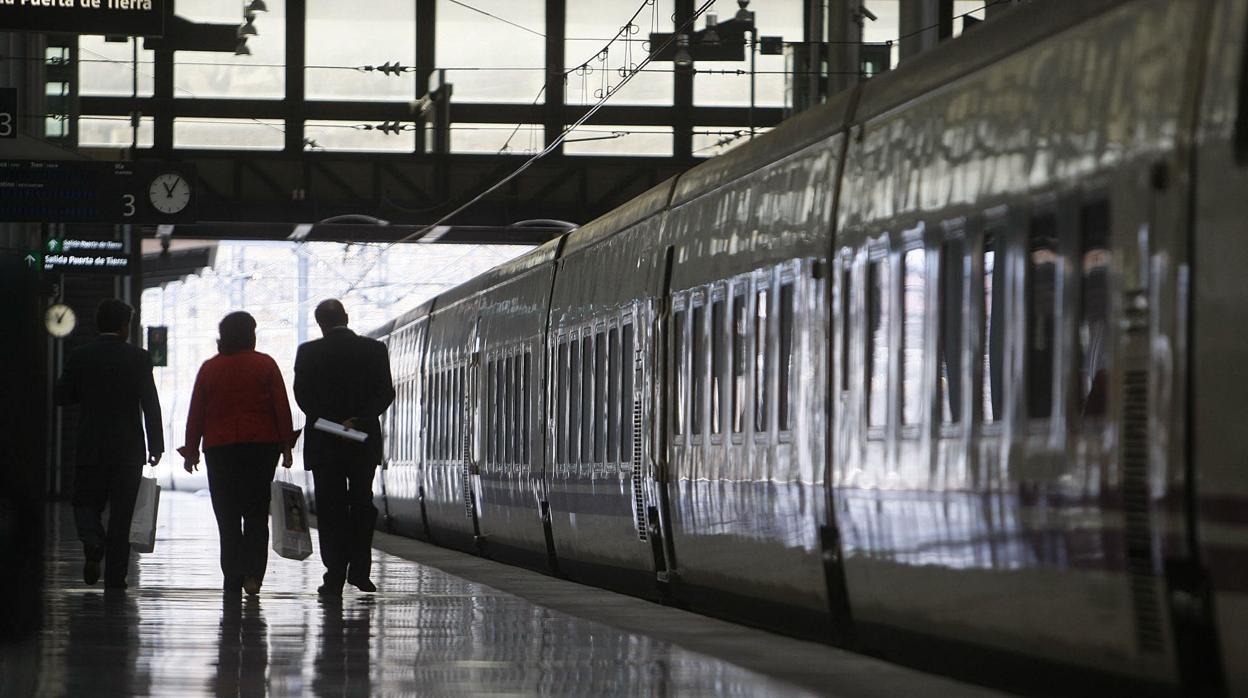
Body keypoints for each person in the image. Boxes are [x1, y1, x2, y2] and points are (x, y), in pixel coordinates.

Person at [180, 311, 295, 597]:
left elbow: (196, 412)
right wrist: (286, 445)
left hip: (220, 451)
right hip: (260, 448)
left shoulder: (210, 369)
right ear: (250, 335)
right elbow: (281, 406)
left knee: (227, 517)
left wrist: (191, 450)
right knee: (256, 514)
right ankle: (253, 576)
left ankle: (232, 577)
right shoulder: (265, 365)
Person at [55, 298, 163, 590]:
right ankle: (116, 578)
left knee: (85, 502)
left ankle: (92, 540)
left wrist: (87, 392)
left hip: (91, 445)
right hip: (129, 451)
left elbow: (61, 396)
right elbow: (150, 404)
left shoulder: (80, 356)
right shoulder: (140, 358)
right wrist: (156, 446)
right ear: (124, 327)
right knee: (122, 515)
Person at [294, 299, 394, 597]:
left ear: (320, 323)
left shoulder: (308, 352)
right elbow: (385, 392)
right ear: (346, 318)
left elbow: (302, 396)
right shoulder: (374, 349)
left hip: (325, 442)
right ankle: (361, 572)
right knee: (362, 503)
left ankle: (334, 574)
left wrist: (332, 423)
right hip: (363, 441)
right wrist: (357, 421)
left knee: (330, 509)